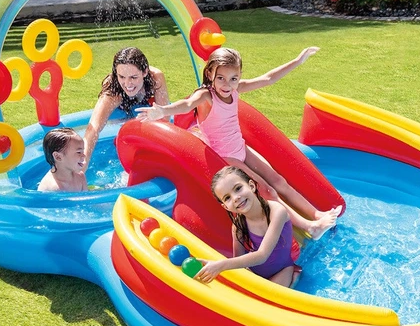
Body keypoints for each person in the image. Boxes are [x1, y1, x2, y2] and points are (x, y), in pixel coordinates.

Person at [136, 46, 340, 238]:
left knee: (279, 181)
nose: (227, 85)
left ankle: (317, 215)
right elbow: (187, 104)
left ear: (239, 76)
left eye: (233, 78)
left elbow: (268, 78)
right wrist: (162, 111)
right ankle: (310, 227)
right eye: (221, 78)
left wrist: (298, 60)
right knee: (267, 191)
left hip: (240, 147)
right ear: (210, 74)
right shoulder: (206, 96)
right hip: (225, 156)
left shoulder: (235, 89)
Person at [195, 166, 303, 287]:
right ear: (225, 207)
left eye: (238, 188)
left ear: (251, 186)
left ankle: (294, 276)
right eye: (227, 198)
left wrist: (220, 265)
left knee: (269, 297)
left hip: (283, 270)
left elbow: (262, 255)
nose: (235, 198)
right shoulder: (239, 225)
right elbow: (238, 261)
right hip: (254, 273)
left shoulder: (277, 211)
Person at [83, 47, 170, 169]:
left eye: (133, 77)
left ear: (145, 72)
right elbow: (93, 129)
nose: (127, 83)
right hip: (122, 107)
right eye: (122, 77)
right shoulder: (113, 92)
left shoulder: (155, 78)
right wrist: (81, 165)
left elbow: (164, 119)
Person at [38, 127, 88, 192]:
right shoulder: (53, 188)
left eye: (83, 151)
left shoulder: (80, 176)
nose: (84, 156)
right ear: (58, 157)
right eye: (79, 152)